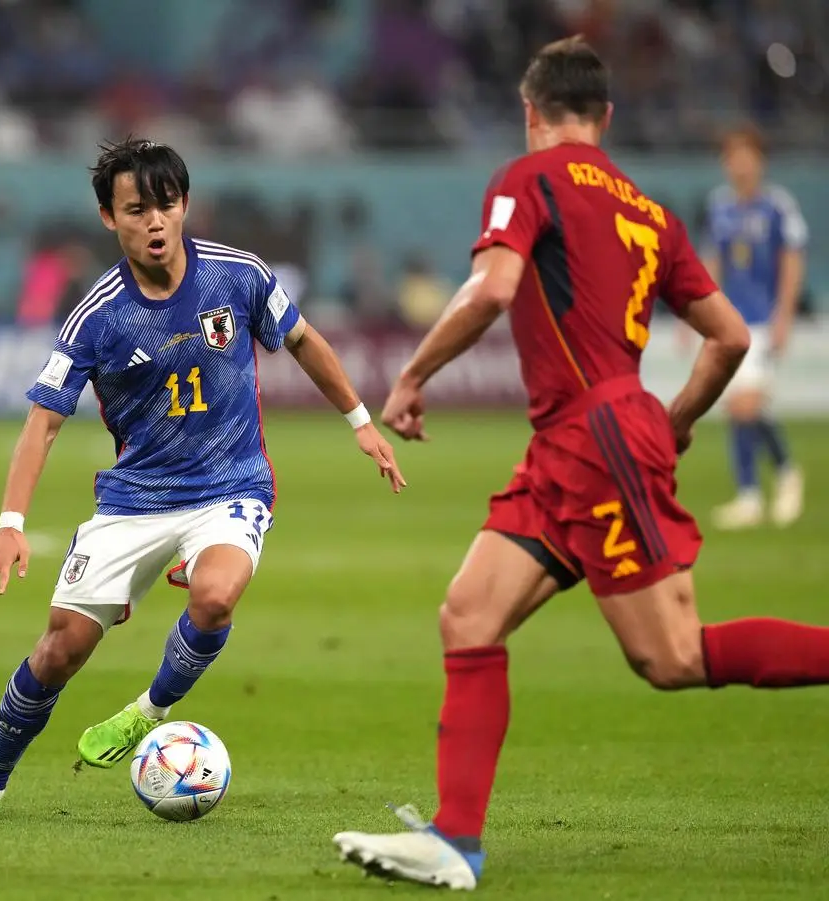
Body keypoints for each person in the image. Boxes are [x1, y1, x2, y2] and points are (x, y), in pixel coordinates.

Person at [330, 37, 829, 890]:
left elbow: (492, 287)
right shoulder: (648, 208)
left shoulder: (528, 179)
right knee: (468, 615)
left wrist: (412, 374)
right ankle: (456, 840)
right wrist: (671, 421)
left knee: (670, 657)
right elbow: (730, 336)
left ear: (531, 113)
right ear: (606, 116)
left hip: (592, 437)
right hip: (583, 438)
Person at [0, 138, 403, 818]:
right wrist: (11, 526)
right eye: (135, 209)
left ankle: (149, 710)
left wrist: (360, 419)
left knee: (214, 597)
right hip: (135, 499)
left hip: (230, 486)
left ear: (184, 206)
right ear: (107, 218)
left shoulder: (237, 277)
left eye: (166, 205)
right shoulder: (97, 316)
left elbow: (301, 338)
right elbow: (43, 422)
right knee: (61, 647)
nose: (154, 221)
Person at [700, 124, 806, 529]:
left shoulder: (778, 207)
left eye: (746, 155)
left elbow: (791, 262)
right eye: (732, 156)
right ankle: (761, 487)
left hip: (763, 320)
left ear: (759, 160)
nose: (739, 164)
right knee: (739, 408)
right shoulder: (719, 208)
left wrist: (784, 316)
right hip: (731, 321)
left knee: (746, 405)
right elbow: (711, 266)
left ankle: (776, 477)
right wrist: (698, 316)